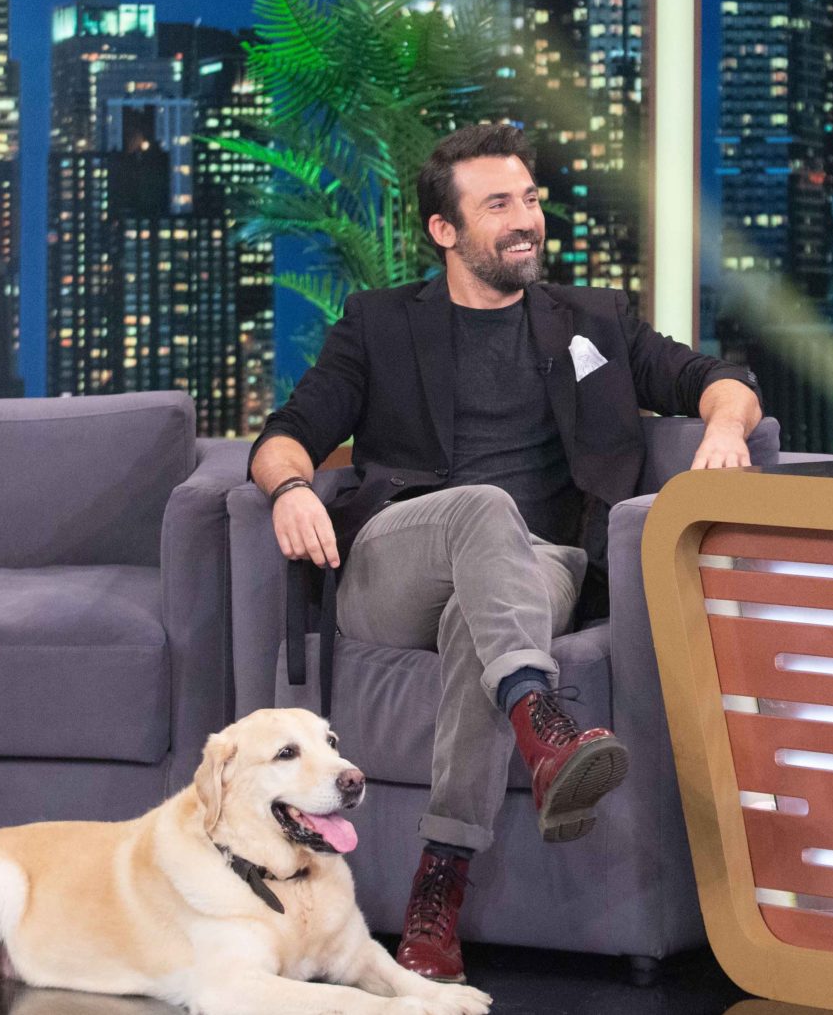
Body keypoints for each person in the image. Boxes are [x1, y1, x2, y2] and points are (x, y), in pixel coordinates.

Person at [248, 123, 762, 983]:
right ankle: (541, 717)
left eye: (529, 199)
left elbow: (720, 379)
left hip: (536, 569)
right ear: (444, 230)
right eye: (498, 205)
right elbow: (284, 435)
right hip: (396, 563)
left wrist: (724, 428)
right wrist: (292, 489)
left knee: (479, 618)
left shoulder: (594, 319)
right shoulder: (380, 324)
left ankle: (438, 892)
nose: (526, 219)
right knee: (484, 508)